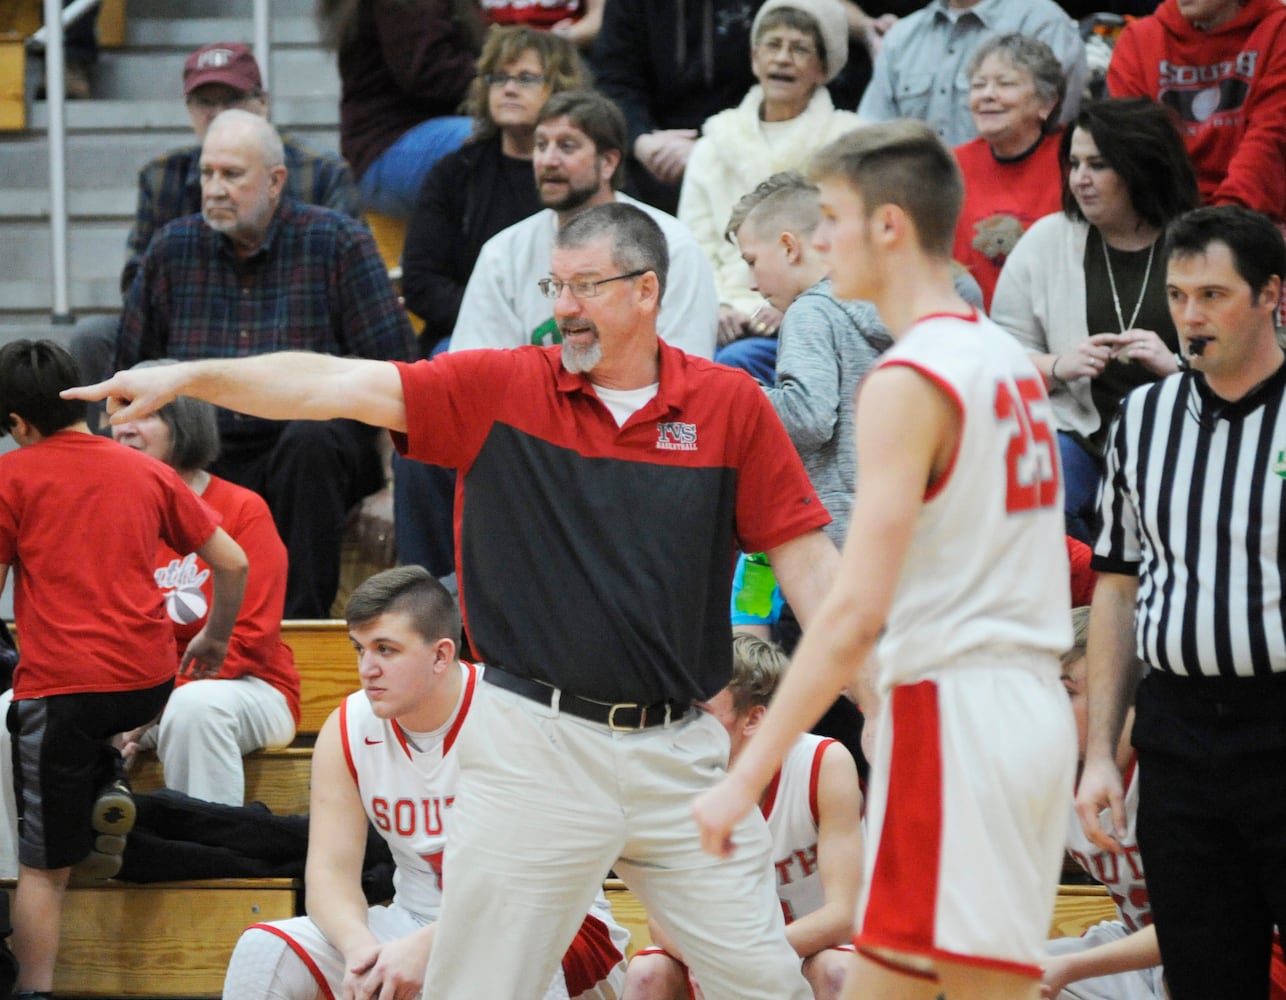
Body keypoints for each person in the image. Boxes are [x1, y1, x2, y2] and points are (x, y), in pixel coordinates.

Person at [69, 200, 841, 1000]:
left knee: (765, 985)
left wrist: (881, 698)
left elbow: (812, 572)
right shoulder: (501, 387)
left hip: (677, 747)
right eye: (555, 285)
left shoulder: (729, 407)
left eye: (585, 287)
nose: (562, 308)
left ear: (646, 292)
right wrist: (189, 376)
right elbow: (334, 382)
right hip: (533, 745)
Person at [694, 120, 1076, 1000]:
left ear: (890, 226)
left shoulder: (909, 381)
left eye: (831, 217)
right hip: (1011, 703)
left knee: (980, 989)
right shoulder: (1003, 356)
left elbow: (853, 608)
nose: (819, 240)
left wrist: (744, 776)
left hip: (961, 709)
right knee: (890, 978)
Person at [222, 566, 629, 1000]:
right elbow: (329, 873)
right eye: (359, 649)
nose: (367, 669)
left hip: (552, 925)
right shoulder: (348, 728)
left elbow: (532, 886)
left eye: (386, 650)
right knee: (263, 950)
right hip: (413, 919)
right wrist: (362, 951)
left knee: (490, 973)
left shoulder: (517, 717)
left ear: (440, 655)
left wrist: (433, 947)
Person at [1076, 204, 1286, 1000]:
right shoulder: (1142, 417)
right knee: (1202, 974)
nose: (1190, 318)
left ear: (1272, 294)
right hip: (1178, 734)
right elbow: (1118, 584)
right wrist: (1100, 751)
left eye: (1213, 295)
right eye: (1176, 296)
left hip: (1281, 716)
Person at [0, 340, 247, 999]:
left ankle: (33, 990)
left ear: (19, 425)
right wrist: (214, 641)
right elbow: (232, 562)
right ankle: (105, 781)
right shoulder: (147, 471)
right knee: (93, 726)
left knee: (41, 870)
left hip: (65, 690)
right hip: (147, 681)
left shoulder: (13, 478)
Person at [116, 109, 417, 618]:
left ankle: (300, 624)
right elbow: (130, 375)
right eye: (207, 174)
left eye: (232, 175)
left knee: (310, 438)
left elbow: (398, 376)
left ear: (276, 181)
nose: (214, 188)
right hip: (206, 445)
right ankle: (149, 627)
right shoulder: (171, 249)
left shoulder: (338, 243)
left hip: (312, 448)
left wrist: (394, 489)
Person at [0, 377, 299, 879]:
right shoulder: (102, 503)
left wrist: (148, 711)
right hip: (134, 685)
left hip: (245, 686)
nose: (125, 428)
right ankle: (20, 880)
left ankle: (210, 876)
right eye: (117, 415)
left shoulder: (243, 509)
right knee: (10, 713)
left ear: (186, 424)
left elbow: (246, 638)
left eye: (144, 414)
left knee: (193, 710)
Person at [69, 41, 361, 394]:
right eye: (205, 102)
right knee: (93, 337)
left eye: (233, 99)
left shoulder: (323, 173)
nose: (219, 113)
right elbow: (137, 282)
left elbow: (350, 284)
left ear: (263, 104)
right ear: (189, 110)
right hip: (189, 333)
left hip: (292, 333)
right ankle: (109, 447)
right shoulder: (162, 177)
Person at [990, 97, 1200, 545]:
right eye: (1074, 164)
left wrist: (1176, 371)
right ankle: (1080, 609)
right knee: (1038, 492)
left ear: (1141, 167)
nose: (1080, 179)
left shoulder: (1202, 245)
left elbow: (1249, 368)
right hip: (1076, 430)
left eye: (1098, 165)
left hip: (1182, 439)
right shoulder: (1047, 240)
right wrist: (1057, 366)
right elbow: (996, 361)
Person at [624, 633, 864, 1000]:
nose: (685, 723)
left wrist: (744, 962)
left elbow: (844, 914)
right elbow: (660, 919)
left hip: (807, 951)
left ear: (753, 718)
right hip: (715, 959)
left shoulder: (823, 762)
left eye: (701, 712)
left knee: (839, 971)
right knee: (647, 974)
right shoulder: (672, 770)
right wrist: (711, 961)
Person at [450, 90, 719, 358]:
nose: (548, 161)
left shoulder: (673, 246)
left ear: (608, 163)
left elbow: (688, 371)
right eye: (541, 145)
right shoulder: (503, 253)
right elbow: (473, 369)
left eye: (567, 146)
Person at [677, 0, 863, 370]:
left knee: (731, 367)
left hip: (822, 312)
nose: (782, 59)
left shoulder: (850, 142)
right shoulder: (714, 142)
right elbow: (693, 242)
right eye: (773, 46)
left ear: (824, 67)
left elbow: (855, 242)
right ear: (754, 58)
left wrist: (800, 302)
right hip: (723, 312)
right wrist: (717, 305)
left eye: (799, 49)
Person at [401, 24, 590, 347]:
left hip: (568, 328)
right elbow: (421, 282)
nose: (509, 88)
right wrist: (496, 319)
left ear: (561, 89)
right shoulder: (455, 173)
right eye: (499, 77)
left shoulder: (581, 171)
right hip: (472, 330)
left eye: (526, 78)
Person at [1106, 0, 1286, 224]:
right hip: (1165, 218)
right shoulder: (1139, 40)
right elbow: (1134, 150)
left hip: (1253, 218)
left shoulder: (1278, 30)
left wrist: (1225, 223)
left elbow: (1270, 138)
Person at [317, 0, 482, 217]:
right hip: (390, 145)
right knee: (496, 146)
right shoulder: (405, 6)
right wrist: (498, 82)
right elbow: (429, 71)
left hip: (386, 150)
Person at [857, 0, 1087, 147]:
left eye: (1005, 82)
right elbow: (872, 136)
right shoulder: (902, 36)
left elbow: (1056, 135)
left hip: (1018, 201)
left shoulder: (1044, 23)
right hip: (914, 200)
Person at [952, 32, 1066, 309]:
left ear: (1046, 103)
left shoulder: (1073, 160)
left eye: (1005, 84)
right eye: (979, 85)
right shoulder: (951, 166)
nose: (987, 95)